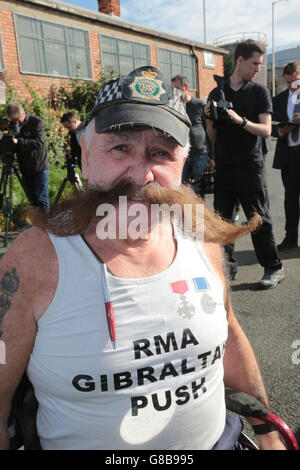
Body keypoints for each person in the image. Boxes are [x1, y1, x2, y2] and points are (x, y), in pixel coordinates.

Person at [0, 66, 285, 450]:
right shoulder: (34, 262)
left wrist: (266, 430)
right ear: (85, 152)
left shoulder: (200, 238)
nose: (141, 174)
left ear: (183, 161)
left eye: (161, 153)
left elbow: (230, 333)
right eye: (120, 147)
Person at [205, 40, 283, 288]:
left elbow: (266, 129)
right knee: (223, 221)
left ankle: (273, 268)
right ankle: (227, 268)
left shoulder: (259, 92)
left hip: (251, 166)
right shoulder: (217, 93)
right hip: (225, 166)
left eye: (260, 64)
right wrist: (208, 119)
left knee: (258, 219)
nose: (258, 69)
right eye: (255, 63)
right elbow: (213, 136)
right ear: (240, 60)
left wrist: (240, 121)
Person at [272, 61, 300, 250]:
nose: (292, 87)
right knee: (290, 199)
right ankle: (291, 238)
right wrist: (282, 130)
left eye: (296, 82)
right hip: (289, 156)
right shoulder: (279, 99)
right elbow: (269, 125)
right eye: (288, 83)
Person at [171, 75, 211, 198]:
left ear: (186, 87)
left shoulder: (199, 105)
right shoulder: (174, 107)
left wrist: (212, 156)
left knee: (199, 190)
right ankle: (184, 215)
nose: (175, 93)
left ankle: (200, 216)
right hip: (182, 155)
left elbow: (209, 129)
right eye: (173, 90)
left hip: (200, 154)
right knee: (179, 187)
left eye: (177, 89)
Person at [5, 102, 49, 213]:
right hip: (25, 168)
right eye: (14, 121)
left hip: (39, 167)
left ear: (23, 113)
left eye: (18, 120)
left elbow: (39, 143)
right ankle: (36, 226)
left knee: (41, 200)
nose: (16, 123)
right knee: (32, 201)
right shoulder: (12, 124)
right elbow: (13, 146)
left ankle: (45, 227)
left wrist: (18, 141)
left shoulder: (36, 122)